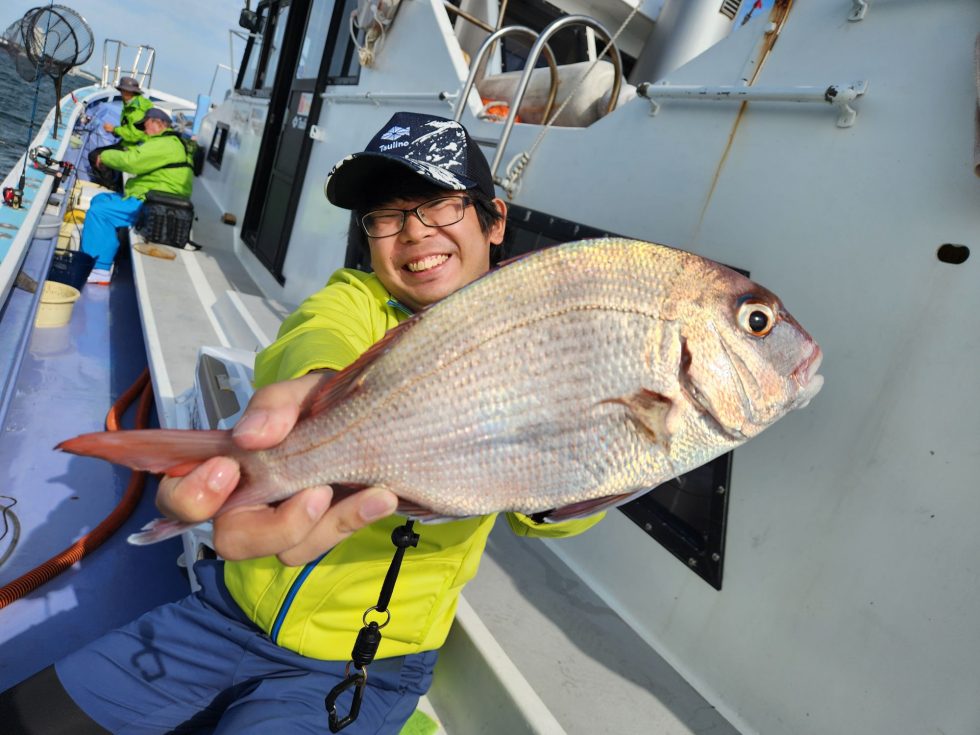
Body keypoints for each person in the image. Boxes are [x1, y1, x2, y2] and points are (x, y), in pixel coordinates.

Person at [0, 112, 604, 734]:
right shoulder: (357, 297)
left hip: (359, 668)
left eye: (440, 206)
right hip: (221, 614)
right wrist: (324, 391)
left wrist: (582, 460)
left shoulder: (541, 338)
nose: (415, 234)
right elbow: (316, 333)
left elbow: (548, 520)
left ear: (494, 219)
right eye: (387, 217)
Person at [81, 107, 194, 285]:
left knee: (99, 212)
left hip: (153, 204)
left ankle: (99, 269)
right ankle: (106, 250)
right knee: (100, 199)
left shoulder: (165, 143)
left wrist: (104, 155)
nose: (143, 131)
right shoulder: (172, 142)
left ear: (158, 124)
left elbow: (132, 162)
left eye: (145, 126)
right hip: (150, 196)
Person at [87, 76, 154, 190]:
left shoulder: (137, 110)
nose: (122, 93)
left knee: (95, 156)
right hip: (127, 143)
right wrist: (117, 132)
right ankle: (115, 182)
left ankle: (111, 187)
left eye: (123, 90)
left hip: (134, 148)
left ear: (127, 92)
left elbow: (135, 136)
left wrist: (114, 130)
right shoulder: (132, 103)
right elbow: (130, 128)